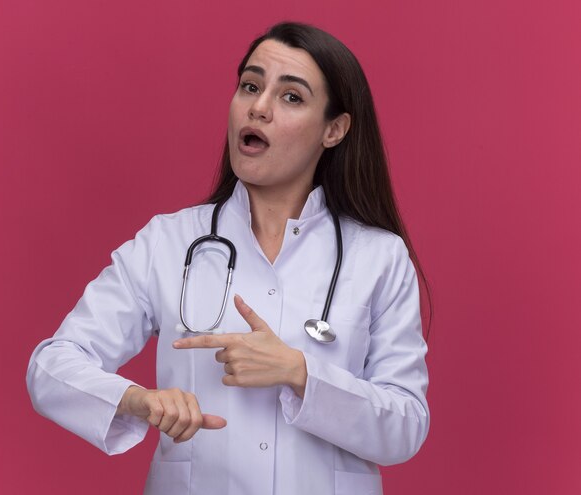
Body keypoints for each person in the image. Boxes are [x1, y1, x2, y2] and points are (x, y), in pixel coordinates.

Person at [27, 21, 430, 495]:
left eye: (291, 97)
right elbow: (51, 367)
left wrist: (300, 373)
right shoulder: (169, 241)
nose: (258, 107)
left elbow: (406, 425)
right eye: (250, 86)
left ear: (334, 130)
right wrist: (136, 400)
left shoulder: (378, 256)